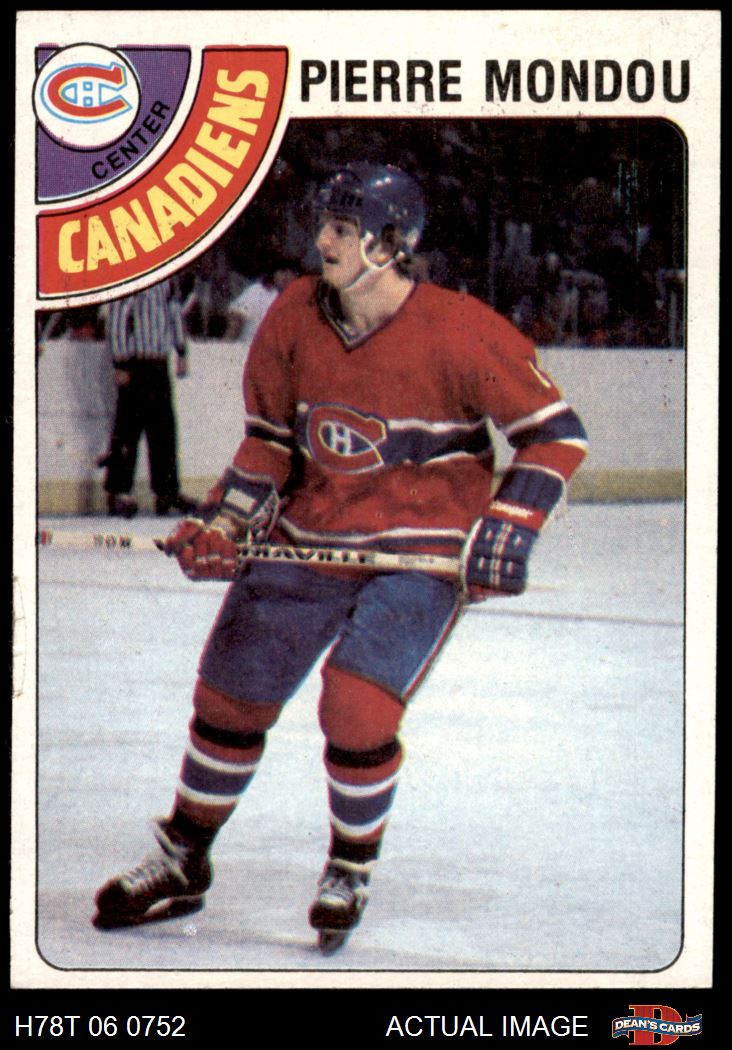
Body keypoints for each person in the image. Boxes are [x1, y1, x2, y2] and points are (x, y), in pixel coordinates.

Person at [92, 163, 588, 953]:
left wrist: (511, 522)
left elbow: (555, 435)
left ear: (391, 245)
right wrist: (227, 522)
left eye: (343, 229)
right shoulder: (293, 312)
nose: (321, 240)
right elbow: (270, 443)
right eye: (325, 224)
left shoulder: (463, 328)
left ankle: (349, 867)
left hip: (417, 554)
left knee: (356, 709)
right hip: (309, 535)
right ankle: (184, 855)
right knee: (229, 697)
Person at [98, 280, 198, 517]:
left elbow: (174, 313)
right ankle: (119, 491)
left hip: (159, 362)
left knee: (164, 430)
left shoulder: (168, 280)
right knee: (127, 430)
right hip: (136, 362)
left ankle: (167, 492)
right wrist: (121, 361)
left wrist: (181, 350)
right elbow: (118, 317)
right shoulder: (135, 277)